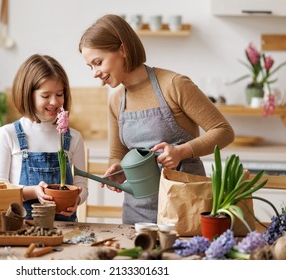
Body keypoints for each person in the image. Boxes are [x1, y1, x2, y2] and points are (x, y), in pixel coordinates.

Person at [78, 14, 235, 225]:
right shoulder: (116, 101)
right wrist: (117, 170)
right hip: (138, 213)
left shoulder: (174, 85)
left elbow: (223, 131)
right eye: (90, 67)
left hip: (185, 206)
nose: (95, 73)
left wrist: (181, 152)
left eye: (98, 63)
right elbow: (117, 154)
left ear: (122, 49)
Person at [0, 54, 88, 222]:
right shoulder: (8, 134)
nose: (54, 102)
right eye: (45, 96)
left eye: (59, 94)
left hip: (66, 229)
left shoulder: (73, 137)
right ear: (28, 94)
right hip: (21, 228)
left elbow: (81, 186)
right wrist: (32, 192)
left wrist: (76, 200)